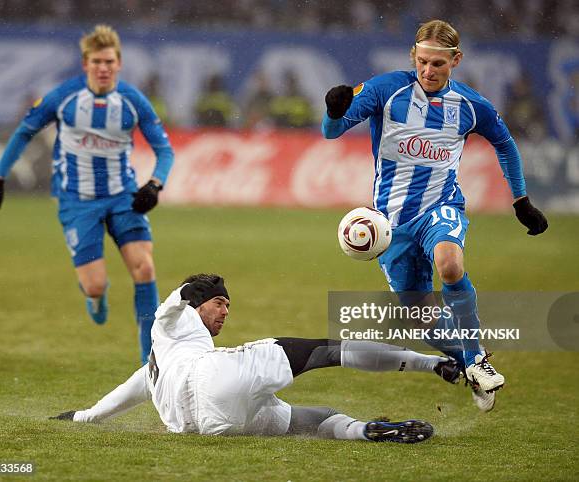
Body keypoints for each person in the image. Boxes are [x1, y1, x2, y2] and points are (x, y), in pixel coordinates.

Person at [321, 19, 548, 412]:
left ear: (455, 60)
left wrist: (521, 201)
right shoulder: (385, 90)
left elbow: (506, 146)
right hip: (390, 223)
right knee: (419, 320)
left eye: (438, 64)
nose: (428, 71)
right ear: (414, 56)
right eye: (423, 61)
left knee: (449, 265)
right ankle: (469, 362)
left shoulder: (471, 105)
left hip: (440, 207)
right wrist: (332, 110)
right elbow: (333, 131)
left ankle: (475, 359)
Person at [50, 274, 461, 443]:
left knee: (311, 419)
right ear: (198, 305)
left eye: (228, 305)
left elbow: (119, 398)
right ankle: (431, 363)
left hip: (205, 426)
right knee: (325, 350)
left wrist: (81, 418)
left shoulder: (155, 367)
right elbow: (165, 312)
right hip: (214, 380)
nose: (225, 311)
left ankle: (365, 430)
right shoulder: (178, 324)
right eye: (219, 302)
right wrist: (186, 292)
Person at [0, 25, 174, 365]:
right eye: (97, 61)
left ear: (119, 63)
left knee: (144, 269)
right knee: (96, 285)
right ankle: (96, 299)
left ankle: (150, 365)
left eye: (110, 61)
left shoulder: (132, 101)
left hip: (122, 196)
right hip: (77, 200)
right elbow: (24, 132)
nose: (104, 68)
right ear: (85, 63)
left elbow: (165, 151)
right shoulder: (63, 97)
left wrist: (154, 185)